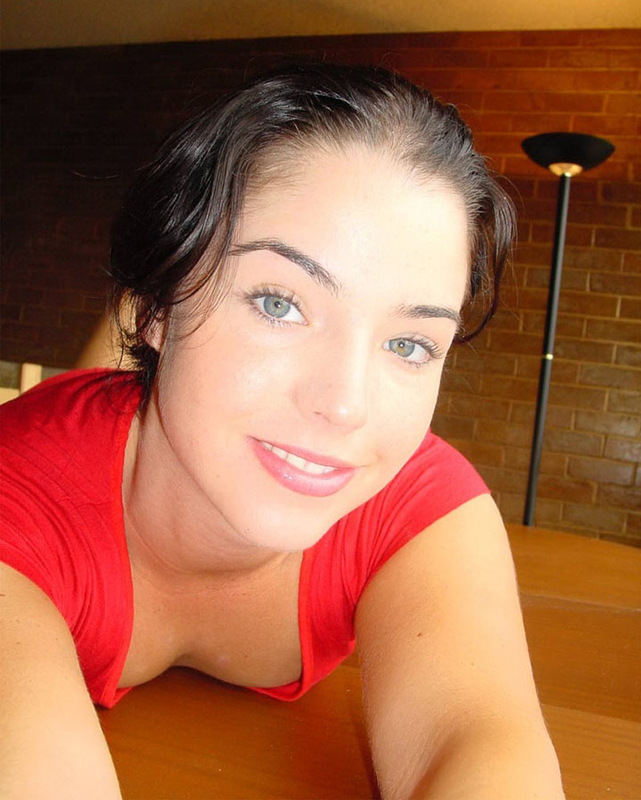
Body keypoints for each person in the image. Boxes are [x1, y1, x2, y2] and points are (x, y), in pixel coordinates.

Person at [0, 63, 564, 799]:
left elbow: (478, 741)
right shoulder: (18, 498)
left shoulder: (416, 502)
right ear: (154, 308)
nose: (345, 406)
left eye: (408, 343)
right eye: (278, 303)